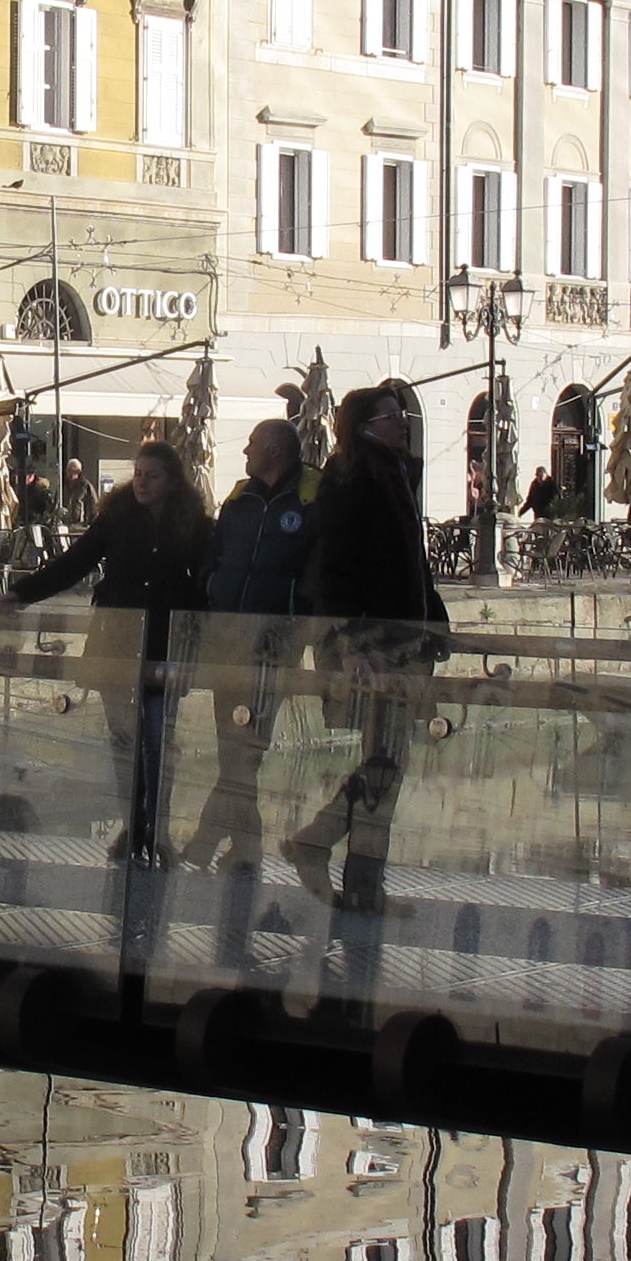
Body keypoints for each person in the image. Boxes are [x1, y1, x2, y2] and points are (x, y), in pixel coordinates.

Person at [2, 438, 212, 861]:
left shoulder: (195, 524)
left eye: (152, 476)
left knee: (159, 739)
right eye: (138, 474)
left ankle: (161, 829)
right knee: (122, 739)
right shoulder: (116, 519)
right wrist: (23, 593)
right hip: (116, 640)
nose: (142, 483)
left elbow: (207, 583)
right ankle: (133, 825)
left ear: (172, 482)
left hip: (166, 642)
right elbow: (74, 563)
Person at [283, 386, 446, 918]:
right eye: (392, 415)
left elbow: (409, 565)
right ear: (364, 426)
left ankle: (358, 884)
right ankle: (328, 853)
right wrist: (350, 642)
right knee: (386, 764)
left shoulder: (393, 474)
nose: (404, 422)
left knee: (387, 764)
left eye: (403, 414)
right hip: (377, 646)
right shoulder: (353, 480)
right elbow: (337, 567)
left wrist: (435, 620)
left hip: (403, 640)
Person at [183, 418, 321, 872]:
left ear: (276, 450)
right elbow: (215, 552)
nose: (244, 450)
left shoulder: (311, 498)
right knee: (232, 749)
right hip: (226, 637)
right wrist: (209, 583)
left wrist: (297, 622)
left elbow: (317, 571)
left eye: (253, 443)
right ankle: (245, 853)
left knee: (249, 749)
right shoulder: (239, 499)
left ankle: (205, 844)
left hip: (272, 643)